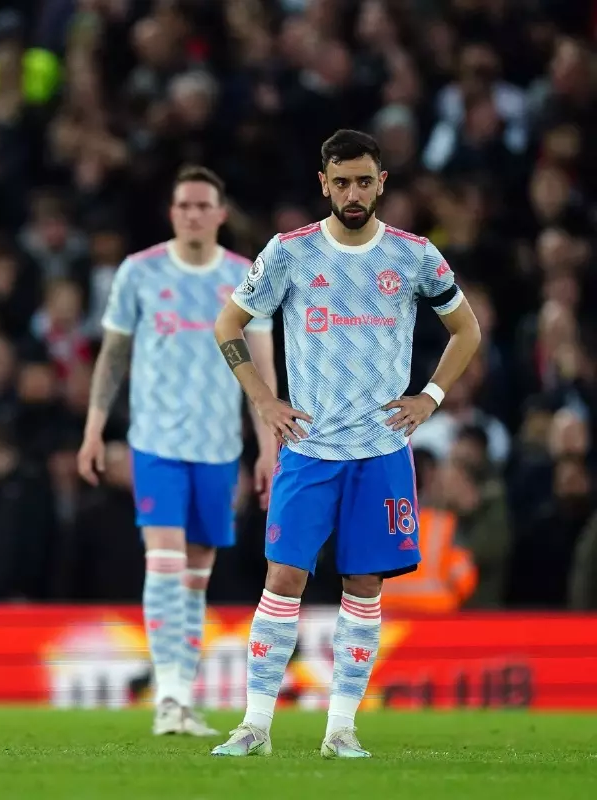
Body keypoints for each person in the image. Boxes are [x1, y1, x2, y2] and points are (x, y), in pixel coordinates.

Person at [210, 130, 481, 758]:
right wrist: (262, 399)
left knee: (364, 588)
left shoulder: (415, 256)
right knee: (283, 580)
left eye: (364, 181)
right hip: (308, 449)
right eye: (341, 181)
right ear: (323, 182)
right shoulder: (290, 253)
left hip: (383, 450)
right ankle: (254, 726)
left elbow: (465, 330)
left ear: (381, 182)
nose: (353, 193)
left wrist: (430, 397)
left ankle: (341, 730)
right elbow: (230, 323)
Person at [78, 166, 278, 736]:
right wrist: (94, 429)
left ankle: (180, 699)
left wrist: (267, 448)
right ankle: (166, 696)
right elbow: (112, 355)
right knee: (164, 560)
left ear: (220, 214)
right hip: (156, 442)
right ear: (173, 213)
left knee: (195, 576)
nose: (192, 214)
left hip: (218, 449)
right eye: (183, 205)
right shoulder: (139, 273)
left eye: (203, 206)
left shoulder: (246, 279)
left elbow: (261, 370)